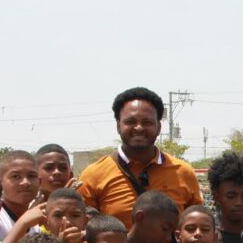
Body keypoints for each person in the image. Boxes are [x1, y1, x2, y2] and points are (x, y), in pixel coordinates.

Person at [78, 87, 202, 230]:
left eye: (147, 122)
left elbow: (197, 226)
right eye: (130, 122)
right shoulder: (93, 175)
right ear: (118, 126)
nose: (138, 128)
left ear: (159, 127)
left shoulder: (184, 173)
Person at [0, 150, 39, 240]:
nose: (25, 182)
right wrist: (24, 223)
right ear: (0, 183)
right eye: (15, 176)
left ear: (39, 182)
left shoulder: (37, 224)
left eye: (31, 176)